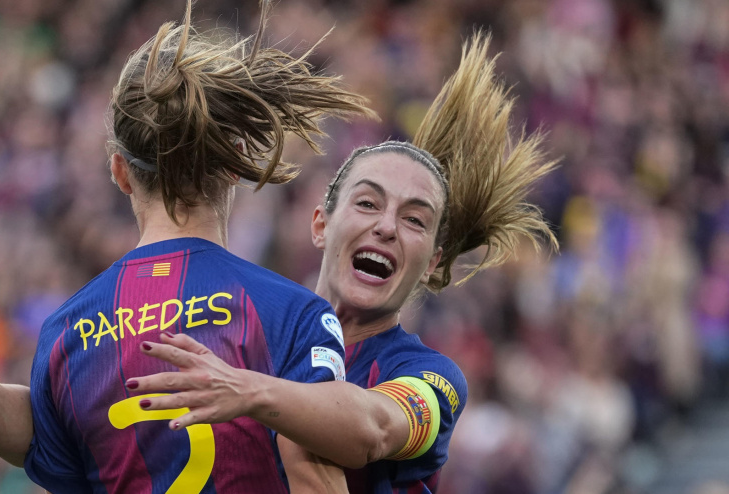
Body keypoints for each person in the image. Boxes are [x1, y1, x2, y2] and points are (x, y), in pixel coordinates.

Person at [0, 2, 374, 493]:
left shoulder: (66, 334)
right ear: (234, 164)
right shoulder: (294, 315)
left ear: (120, 174)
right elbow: (340, 456)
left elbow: (53, 450)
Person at [126, 32, 559, 493]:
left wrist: (248, 392)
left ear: (433, 263)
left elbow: (374, 429)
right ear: (320, 226)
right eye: (368, 204)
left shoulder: (431, 376)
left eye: (414, 219)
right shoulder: (246, 331)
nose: (387, 227)